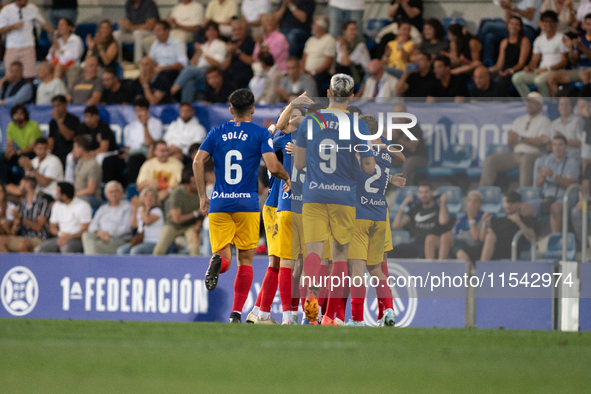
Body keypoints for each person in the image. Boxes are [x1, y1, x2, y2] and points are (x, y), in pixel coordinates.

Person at [193, 88, 290, 323]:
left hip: (219, 202)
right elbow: (273, 166)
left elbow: (197, 161)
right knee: (245, 261)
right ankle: (236, 314)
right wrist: (287, 178)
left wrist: (202, 197)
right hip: (247, 203)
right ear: (253, 109)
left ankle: (217, 262)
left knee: (223, 256)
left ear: (230, 110)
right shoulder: (259, 134)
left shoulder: (217, 132)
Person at [294, 74, 376, 325]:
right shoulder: (357, 124)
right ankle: (330, 315)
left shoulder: (309, 122)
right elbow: (369, 167)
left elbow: (298, 164)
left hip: (313, 194)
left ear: (328, 94)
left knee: (314, 252)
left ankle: (311, 295)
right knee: (340, 255)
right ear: (352, 96)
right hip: (343, 196)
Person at [345, 113, 406, 327]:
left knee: (357, 271)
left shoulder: (358, 150)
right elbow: (402, 158)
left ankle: (357, 319)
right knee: (377, 268)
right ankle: (388, 311)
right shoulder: (386, 152)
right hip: (380, 217)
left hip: (359, 216)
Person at [480, 92, 552, 188]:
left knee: (525, 160)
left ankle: (524, 194)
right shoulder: (519, 120)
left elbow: (541, 143)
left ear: (539, 105)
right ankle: (482, 193)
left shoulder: (545, 121)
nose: (529, 104)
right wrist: (529, 140)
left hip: (534, 154)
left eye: (532, 102)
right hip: (516, 153)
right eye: (528, 102)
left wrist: (520, 138)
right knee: (490, 160)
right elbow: (510, 142)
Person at [457, 191, 538, 267]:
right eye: (507, 203)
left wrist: (518, 221)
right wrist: (485, 224)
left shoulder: (523, 220)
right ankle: (475, 275)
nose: (509, 205)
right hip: (490, 247)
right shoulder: (499, 219)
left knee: (490, 236)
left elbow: (532, 238)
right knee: (461, 253)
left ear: (519, 204)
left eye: (512, 203)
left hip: (507, 248)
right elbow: (481, 238)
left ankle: (482, 271)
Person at [103, 98, 163, 186]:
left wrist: (144, 125)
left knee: (134, 159)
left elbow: (150, 144)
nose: (139, 113)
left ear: (148, 110)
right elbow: (128, 145)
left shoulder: (156, 123)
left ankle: (132, 188)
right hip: (131, 153)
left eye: (141, 110)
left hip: (145, 154)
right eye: (137, 111)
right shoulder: (132, 126)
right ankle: (110, 189)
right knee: (109, 160)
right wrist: (126, 152)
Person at [512, 11, 569, 97]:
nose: (548, 24)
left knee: (539, 81)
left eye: (551, 21)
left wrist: (548, 69)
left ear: (556, 23)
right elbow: (535, 60)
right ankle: (531, 104)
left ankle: (547, 105)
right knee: (517, 78)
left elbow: (564, 61)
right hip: (541, 70)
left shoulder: (562, 38)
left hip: (555, 71)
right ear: (542, 23)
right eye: (546, 21)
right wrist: (529, 67)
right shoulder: (539, 40)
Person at [390, 182, 451, 259]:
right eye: (421, 192)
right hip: (416, 243)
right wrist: (403, 204)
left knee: (423, 252)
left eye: (426, 192)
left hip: (431, 244)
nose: (423, 195)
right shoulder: (415, 209)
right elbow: (396, 225)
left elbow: (443, 221)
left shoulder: (438, 208)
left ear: (432, 192)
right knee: (391, 251)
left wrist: (442, 203)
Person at [170, 21, 227, 103]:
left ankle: (171, 92)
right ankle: (186, 106)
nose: (211, 32)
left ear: (217, 32)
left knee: (189, 70)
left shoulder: (221, 44)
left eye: (213, 30)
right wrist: (197, 53)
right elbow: (192, 63)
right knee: (189, 81)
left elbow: (217, 64)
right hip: (198, 71)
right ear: (206, 33)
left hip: (210, 71)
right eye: (209, 30)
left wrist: (202, 53)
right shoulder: (203, 45)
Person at [0, 0, 54, 79]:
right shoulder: (7, 10)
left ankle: (28, 90)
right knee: (10, 76)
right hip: (12, 47)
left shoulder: (32, 8)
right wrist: (13, 26)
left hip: (28, 46)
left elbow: (43, 24)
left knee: (29, 75)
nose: (25, 1)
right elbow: (1, 30)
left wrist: (55, 31)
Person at [152, 169, 202, 256]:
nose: (197, 185)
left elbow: (203, 215)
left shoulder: (201, 194)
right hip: (172, 225)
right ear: (187, 184)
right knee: (159, 250)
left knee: (194, 249)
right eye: (194, 183)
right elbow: (177, 219)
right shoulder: (177, 194)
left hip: (191, 225)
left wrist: (196, 231)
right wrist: (196, 213)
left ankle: (195, 269)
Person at [535, 135, 579, 232]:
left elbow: (570, 184)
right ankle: (532, 242)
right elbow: (537, 184)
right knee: (523, 208)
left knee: (555, 207)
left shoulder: (572, 162)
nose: (557, 148)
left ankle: (557, 243)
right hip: (546, 199)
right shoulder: (548, 160)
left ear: (566, 147)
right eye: (554, 145)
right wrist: (542, 177)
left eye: (560, 145)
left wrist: (553, 176)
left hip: (563, 199)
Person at [478, 0, 543, 66]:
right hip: (515, 26)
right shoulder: (520, 2)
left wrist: (513, 8)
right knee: (489, 37)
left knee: (487, 26)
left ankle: (477, 55)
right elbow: (508, 21)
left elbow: (530, 16)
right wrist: (507, 8)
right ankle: (487, 63)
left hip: (526, 29)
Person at [64, 106, 117, 183]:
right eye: (86, 117)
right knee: (70, 156)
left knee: (100, 157)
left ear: (97, 117)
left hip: (107, 152)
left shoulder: (103, 127)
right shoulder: (82, 127)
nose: (88, 120)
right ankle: (69, 182)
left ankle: (98, 182)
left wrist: (89, 154)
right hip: (89, 152)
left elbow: (104, 148)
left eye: (90, 117)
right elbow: (76, 142)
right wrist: (74, 152)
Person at [35, 182, 92, 254]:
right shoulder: (57, 205)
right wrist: (61, 234)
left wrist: (69, 237)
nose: (56, 195)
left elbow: (84, 230)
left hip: (77, 239)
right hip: (60, 237)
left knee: (65, 248)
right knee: (39, 249)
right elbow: (52, 228)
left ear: (64, 196)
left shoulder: (83, 206)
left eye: (57, 193)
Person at [0, 177, 51, 253]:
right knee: (1, 240)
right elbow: (14, 231)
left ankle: (24, 265)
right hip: (24, 237)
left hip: (39, 238)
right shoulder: (21, 205)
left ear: (27, 185)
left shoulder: (42, 203)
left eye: (20, 184)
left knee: (23, 245)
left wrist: (21, 219)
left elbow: (38, 227)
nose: (19, 187)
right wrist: (15, 222)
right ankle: (7, 264)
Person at [82, 181, 133, 255]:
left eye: (116, 191)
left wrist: (109, 234)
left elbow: (126, 228)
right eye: (111, 192)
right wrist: (99, 233)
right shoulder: (103, 208)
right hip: (101, 237)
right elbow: (92, 225)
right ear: (106, 195)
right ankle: (91, 262)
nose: (114, 194)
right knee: (86, 235)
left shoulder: (127, 207)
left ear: (122, 193)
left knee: (93, 246)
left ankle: (90, 264)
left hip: (118, 240)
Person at [547, 13, 591, 97]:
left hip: (589, 70)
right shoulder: (580, 38)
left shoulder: (580, 42)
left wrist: (581, 46)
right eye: (588, 24)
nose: (590, 27)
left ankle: (585, 106)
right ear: (584, 25)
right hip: (579, 69)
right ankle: (559, 106)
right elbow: (573, 60)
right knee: (551, 78)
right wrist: (570, 48)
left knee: (586, 77)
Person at [0, 105, 43, 185]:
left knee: (23, 160)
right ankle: (5, 185)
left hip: (33, 153)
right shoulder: (11, 126)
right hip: (19, 152)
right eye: (16, 113)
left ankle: (24, 185)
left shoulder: (33, 126)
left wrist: (17, 152)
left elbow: (31, 148)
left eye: (21, 114)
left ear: (25, 114)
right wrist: (8, 153)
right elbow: (9, 144)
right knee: (2, 158)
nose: (18, 116)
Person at [116, 187, 164, 255]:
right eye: (146, 195)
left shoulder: (157, 211)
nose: (148, 198)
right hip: (143, 241)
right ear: (142, 198)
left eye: (152, 196)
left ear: (155, 198)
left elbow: (147, 221)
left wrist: (140, 207)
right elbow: (133, 225)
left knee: (135, 251)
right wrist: (134, 209)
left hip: (155, 241)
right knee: (121, 250)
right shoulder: (140, 211)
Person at [389, 103, 428, 184]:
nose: (398, 116)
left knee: (407, 164)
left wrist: (398, 138)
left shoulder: (413, 126)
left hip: (418, 157)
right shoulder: (392, 128)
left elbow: (412, 148)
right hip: (400, 158)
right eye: (395, 113)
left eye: (401, 112)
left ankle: (407, 191)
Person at [489, 16, 532, 90]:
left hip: (516, 71)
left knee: (498, 82)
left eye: (517, 24)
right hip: (504, 70)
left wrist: (510, 71)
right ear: (507, 25)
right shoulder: (504, 42)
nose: (514, 26)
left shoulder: (524, 41)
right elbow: (499, 64)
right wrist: (487, 70)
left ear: (520, 28)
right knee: (484, 77)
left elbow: (521, 64)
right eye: (511, 23)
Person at [446, 190, 485, 263]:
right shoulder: (461, 218)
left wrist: (471, 217)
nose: (472, 203)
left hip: (469, 244)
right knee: (444, 238)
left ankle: (472, 272)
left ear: (481, 204)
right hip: (456, 241)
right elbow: (454, 233)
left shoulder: (483, 218)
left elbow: (476, 237)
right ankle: (438, 266)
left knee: (460, 252)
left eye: (475, 201)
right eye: (470, 200)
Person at [302, 16, 336, 96]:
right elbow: (303, 59)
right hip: (308, 72)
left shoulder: (329, 40)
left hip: (322, 73)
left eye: (314, 24)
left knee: (316, 79)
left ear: (321, 27)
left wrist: (313, 72)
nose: (312, 26)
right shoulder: (310, 40)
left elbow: (328, 63)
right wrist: (302, 72)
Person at [220, 19, 255, 91]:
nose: (237, 32)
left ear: (245, 30)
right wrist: (230, 53)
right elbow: (224, 66)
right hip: (233, 71)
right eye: (234, 30)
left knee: (237, 79)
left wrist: (237, 52)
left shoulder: (251, 42)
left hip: (247, 71)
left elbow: (252, 61)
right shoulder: (231, 43)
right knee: (219, 76)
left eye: (240, 29)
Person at [47, 95, 80, 168]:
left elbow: (68, 136)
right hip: (56, 153)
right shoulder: (52, 123)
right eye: (54, 106)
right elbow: (51, 140)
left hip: (69, 153)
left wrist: (58, 120)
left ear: (65, 104)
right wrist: (47, 155)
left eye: (58, 105)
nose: (56, 109)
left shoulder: (73, 119)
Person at [72, 136, 102, 210]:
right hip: (78, 195)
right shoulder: (80, 161)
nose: (73, 150)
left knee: (71, 201)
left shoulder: (93, 165)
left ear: (81, 149)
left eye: (75, 148)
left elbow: (91, 190)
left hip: (92, 198)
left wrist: (74, 194)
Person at [336, 20, 371, 86]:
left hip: (361, 72)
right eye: (351, 30)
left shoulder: (360, 45)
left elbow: (346, 62)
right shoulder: (339, 43)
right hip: (348, 71)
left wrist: (344, 46)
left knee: (343, 69)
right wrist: (344, 46)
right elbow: (340, 61)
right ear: (344, 31)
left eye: (355, 30)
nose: (354, 32)